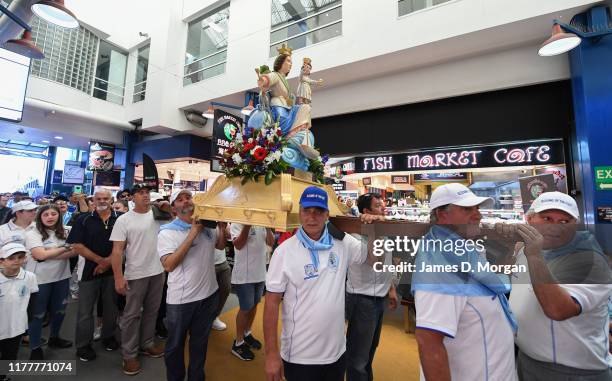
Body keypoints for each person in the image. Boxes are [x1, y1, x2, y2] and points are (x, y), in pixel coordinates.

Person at [264, 186, 383, 381]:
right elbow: (271, 303)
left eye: (318, 211)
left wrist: (373, 231)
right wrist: (271, 354)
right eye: (307, 211)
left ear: (327, 214)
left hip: (337, 353)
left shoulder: (343, 242)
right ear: (300, 212)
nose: (312, 217)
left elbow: (374, 260)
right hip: (299, 355)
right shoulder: (284, 252)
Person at [411, 183, 517, 381]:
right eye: (467, 209)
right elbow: (428, 342)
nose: (478, 215)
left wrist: (509, 248)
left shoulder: (462, 250)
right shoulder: (441, 262)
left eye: (477, 208)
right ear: (443, 215)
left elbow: (490, 287)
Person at [509, 191, 612, 380]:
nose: (554, 227)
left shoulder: (589, 261)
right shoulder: (527, 250)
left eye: (564, 221)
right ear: (529, 219)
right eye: (546, 218)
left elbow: (558, 310)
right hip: (527, 359)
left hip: (571, 371)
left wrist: (533, 255)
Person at [157, 189, 227, 381]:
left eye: (188, 197)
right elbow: (169, 265)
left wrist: (222, 225)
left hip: (209, 295)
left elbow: (220, 246)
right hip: (182, 300)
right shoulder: (167, 232)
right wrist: (193, 233)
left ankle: (197, 377)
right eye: (179, 199)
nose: (186, 201)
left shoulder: (207, 225)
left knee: (200, 343)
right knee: (175, 346)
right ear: (173, 208)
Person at [110, 184, 171, 375]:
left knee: (152, 311)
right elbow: (117, 251)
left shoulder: (159, 215)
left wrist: (168, 209)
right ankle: (129, 354)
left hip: (157, 271)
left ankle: (147, 343)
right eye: (140, 193)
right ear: (132, 198)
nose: (145, 196)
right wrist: (119, 277)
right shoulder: (124, 220)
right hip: (136, 273)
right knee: (131, 314)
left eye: (147, 193)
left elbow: (177, 227)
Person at [345, 193, 399, 381]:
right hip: (362, 300)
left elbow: (387, 264)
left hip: (379, 298)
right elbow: (375, 259)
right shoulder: (354, 236)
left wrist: (391, 288)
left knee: (369, 351)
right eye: (378, 206)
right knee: (358, 358)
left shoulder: (381, 231)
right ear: (366, 212)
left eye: (383, 204)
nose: (383, 208)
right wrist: (372, 228)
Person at [67, 189, 121, 362]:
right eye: (99, 198)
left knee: (111, 307)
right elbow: (77, 245)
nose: (102, 201)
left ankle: (108, 337)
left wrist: (108, 263)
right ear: (93, 200)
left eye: (106, 198)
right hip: (88, 271)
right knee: (85, 311)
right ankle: (83, 345)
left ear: (111, 200)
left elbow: (125, 244)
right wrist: (101, 261)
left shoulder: (120, 219)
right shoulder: (83, 219)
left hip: (114, 270)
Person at [25, 204, 77, 360]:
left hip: (62, 277)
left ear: (59, 215)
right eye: (45, 214)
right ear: (40, 217)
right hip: (40, 280)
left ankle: (54, 338)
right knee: (38, 314)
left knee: (60, 311)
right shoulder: (33, 233)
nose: (50, 217)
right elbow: (39, 255)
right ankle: (35, 347)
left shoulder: (65, 231)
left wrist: (48, 254)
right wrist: (65, 248)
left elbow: (75, 251)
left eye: (53, 213)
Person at [229, 222, 275, 361]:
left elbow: (271, 242)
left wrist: (267, 225)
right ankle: (238, 343)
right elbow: (238, 245)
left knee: (254, 305)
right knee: (245, 308)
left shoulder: (261, 223)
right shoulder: (236, 224)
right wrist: (247, 226)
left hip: (260, 273)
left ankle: (247, 333)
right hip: (244, 275)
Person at [0, 243, 38, 380]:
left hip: (16, 328)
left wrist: (27, 324)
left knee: (10, 356)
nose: (16, 261)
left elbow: (32, 301)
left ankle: (3, 376)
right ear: (1, 261)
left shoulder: (30, 277)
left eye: (20, 257)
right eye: (11, 258)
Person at [212, 223, 232, 331]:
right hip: (207, 263)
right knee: (207, 296)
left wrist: (223, 226)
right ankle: (200, 321)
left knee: (225, 288)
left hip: (222, 261)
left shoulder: (220, 216)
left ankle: (214, 316)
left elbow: (229, 235)